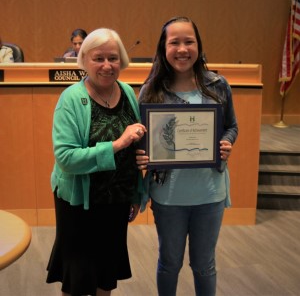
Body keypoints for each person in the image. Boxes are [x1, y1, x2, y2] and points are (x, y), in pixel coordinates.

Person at [138, 16, 238, 296]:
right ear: (163, 48)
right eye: (174, 42)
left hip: (209, 194)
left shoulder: (218, 85)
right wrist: (141, 155)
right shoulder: (151, 90)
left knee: (204, 265)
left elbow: (231, 126)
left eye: (189, 41)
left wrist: (226, 143)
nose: (182, 49)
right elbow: (141, 139)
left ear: (199, 45)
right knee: (169, 263)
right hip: (168, 196)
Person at [46, 28, 147, 296]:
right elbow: (66, 159)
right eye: (98, 58)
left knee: (106, 274)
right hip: (79, 203)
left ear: (122, 61)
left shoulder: (127, 91)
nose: (106, 65)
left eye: (113, 58)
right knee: (78, 279)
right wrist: (117, 144)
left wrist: (136, 192)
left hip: (117, 201)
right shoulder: (70, 98)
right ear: (84, 61)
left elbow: (136, 151)